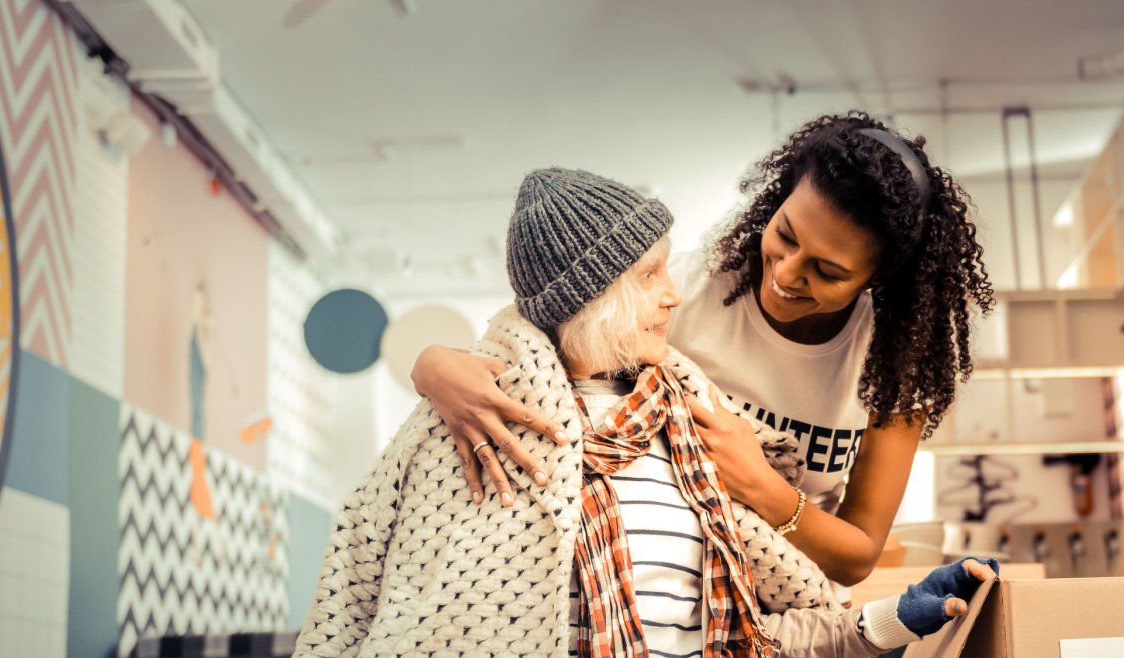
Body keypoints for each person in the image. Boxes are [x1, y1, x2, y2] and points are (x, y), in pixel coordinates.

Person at [241, 168, 996, 658]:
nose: (671, 292)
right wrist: (429, 362)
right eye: (647, 275)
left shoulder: (698, 440)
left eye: (826, 267)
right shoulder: (481, 432)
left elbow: (742, 644)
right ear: (596, 295)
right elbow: (369, 582)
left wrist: (892, 616)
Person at [411, 110, 993, 588]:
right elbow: (537, 334)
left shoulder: (895, 369)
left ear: (878, 276)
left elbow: (856, 555)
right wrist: (432, 365)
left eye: (827, 270)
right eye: (785, 235)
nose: (786, 274)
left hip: (781, 607)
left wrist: (760, 484)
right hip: (652, 586)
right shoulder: (683, 291)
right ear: (778, 201)